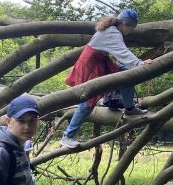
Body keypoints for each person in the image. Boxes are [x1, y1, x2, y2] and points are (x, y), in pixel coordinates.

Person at [61, 9, 153, 148]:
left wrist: (135, 63)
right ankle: (68, 135)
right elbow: (122, 52)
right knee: (88, 103)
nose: (132, 30)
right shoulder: (113, 33)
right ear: (124, 24)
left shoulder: (112, 30)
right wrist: (139, 63)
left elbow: (118, 53)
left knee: (128, 75)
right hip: (91, 65)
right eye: (132, 27)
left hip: (101, 61)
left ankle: (129, 108)